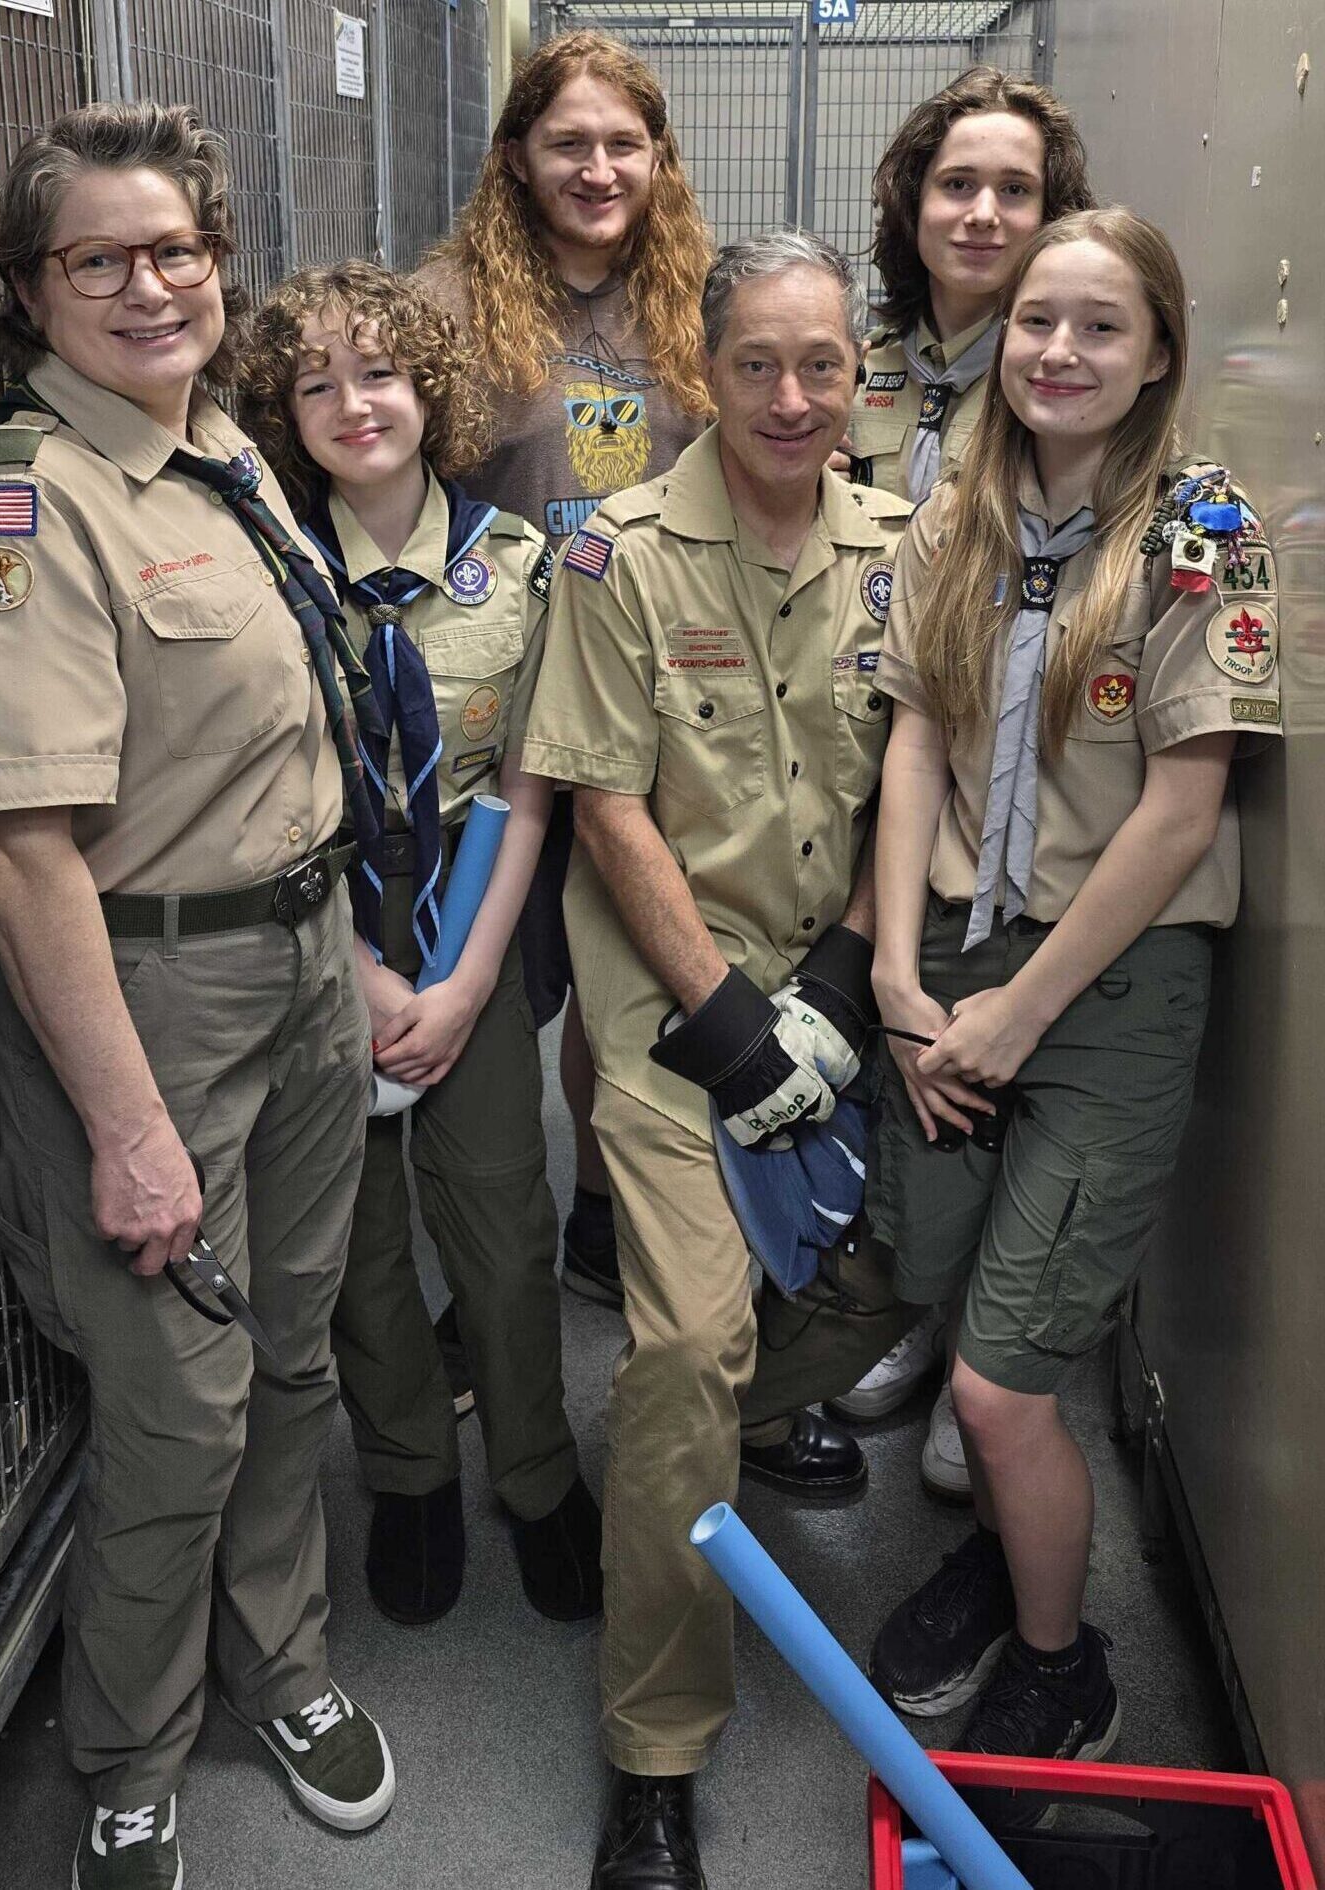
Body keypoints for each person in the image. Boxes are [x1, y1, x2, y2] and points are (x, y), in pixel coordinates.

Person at [0, 104, 394, 1889]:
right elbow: (22, 852)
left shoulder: (220, 454)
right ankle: (129, 1756)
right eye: (96, 258)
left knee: (293, 1353)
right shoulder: (19, 508)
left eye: (176, 249)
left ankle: (284, 1661)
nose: (148, 285)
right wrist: (125, 1128)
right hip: (144, 1003)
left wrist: (345, 947)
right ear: (30, 290)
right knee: (179, 1406)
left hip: (301, 970)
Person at [522, 231, 921, 1888]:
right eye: (756, 362)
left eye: (822, 363)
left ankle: (725, 1421)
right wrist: (739, 1026)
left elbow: (917, 784)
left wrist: (839, 988)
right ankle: (657, 1749)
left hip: (846, 987)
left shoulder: (906, 549)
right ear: (708, 370)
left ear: (859, 373)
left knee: (926, 1261)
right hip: (674, 1013)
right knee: (687, 1347)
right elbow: (606, 805)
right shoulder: (616, 555)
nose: (791, 396)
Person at [866, 208, 1280, 1797]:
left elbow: (1183, 812)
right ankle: (1007, 1554)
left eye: (1103, 327)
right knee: (947, 1282)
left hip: (1105, 976)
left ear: (1160, 350)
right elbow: (916, 735)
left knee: (1000, 1377)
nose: (1059, 351)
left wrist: (1019, 1013)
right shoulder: (958, 511)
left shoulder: (1202, 531)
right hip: (955, 957)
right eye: (1039, 320)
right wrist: (900, 981)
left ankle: (1066, 1664)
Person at [239, 261, 600, 1629]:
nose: (353, 403)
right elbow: (266, 789)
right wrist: (360, 969)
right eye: (315, 383)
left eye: (379, 372)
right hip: (321, 926)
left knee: (503, 1222)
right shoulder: (274, 573)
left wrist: (464, 980)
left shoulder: (518, 566)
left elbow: (532, 785)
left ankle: (538, 1472)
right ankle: (408, 1473)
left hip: (471, 924)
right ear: (284, 414)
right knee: (360, 1234)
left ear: (428, 389)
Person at [417, 30, 714, 1324]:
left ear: (658, 158)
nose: (598, 169)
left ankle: (599, 1216)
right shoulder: (446, 307)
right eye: (568, 144)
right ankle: (480, 1276)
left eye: (623, 144)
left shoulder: (696, 295)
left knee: (622, 967)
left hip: (656, 689)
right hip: (501, 702)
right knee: (487, 976)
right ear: (516, 157)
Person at [835, 65, 1095, 1485]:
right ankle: (901, 1305)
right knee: (882, 1036)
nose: (984, 213)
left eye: (1017, 189)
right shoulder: (858, 357)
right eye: (957, 184)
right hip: (845, 733)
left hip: (986, 755)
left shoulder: (1063, 365)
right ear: (912, 201)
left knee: (974, 1042)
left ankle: (972, 1353)